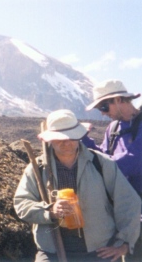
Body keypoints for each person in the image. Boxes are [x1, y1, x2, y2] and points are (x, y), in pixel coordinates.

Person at [14, 109, 141, 262]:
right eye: (59, 138)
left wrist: (124, 243)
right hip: (51, 250)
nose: (66, 142)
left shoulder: (101, 164)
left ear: (79, 136)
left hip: (98, 250)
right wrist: (50, 211)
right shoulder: (38, 168)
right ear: (50, 140)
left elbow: (129, 202)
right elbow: (21, 204)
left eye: (71, 136)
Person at [81, 79, 142, 260]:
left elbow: (132, 163)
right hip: (127, 211)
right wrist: (83, 139)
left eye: (104, 107)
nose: (102, 113)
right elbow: (103, 160)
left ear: (118, 100)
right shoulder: (113, 128)